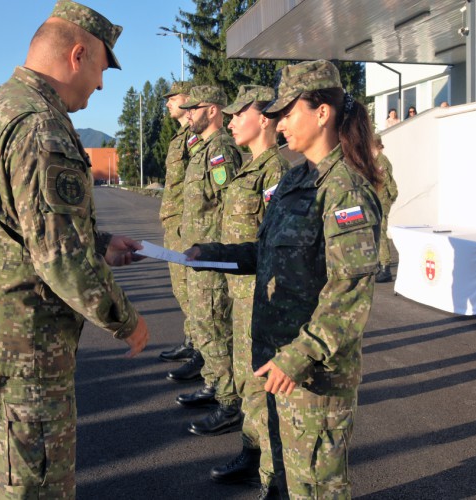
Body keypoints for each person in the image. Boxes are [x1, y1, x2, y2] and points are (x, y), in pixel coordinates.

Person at [0, 2, 149, 498]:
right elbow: (59, 257)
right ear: (78, 55)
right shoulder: (41, 126)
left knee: (8, 470)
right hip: (24, 345)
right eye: (102, 69)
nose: (101, 85)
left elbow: (24, 223)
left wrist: (100, 244)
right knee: (32, 486)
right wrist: (127, 320)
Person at [186, 60, 381, 499]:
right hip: (276, 365)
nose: (279, 123)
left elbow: (349, 292)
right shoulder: (296, 179)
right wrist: (211, 256)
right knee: (278, 480)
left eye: (288, 113)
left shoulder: (345, 189)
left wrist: (298, 357)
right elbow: (266, 253)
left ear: (323, 113)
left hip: (312, 377)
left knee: (314, 487)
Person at [211, 85, 290, 488]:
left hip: (261, 295)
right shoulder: (248, 167)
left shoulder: (275, 170)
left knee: (261, 384)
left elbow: (274, 242)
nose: (230, 121)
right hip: (239, 291)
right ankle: (252, 451)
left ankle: (272, 478)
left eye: (239, 114)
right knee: (247, 380)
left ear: (263, 119)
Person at [172, 85, 242, 436]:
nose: (187, 114)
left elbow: (230, 205)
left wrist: (219, 252)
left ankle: (231, 403)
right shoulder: (204, 149)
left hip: (213, 255)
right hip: (198, 253)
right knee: (204, 323)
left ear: (212, 110)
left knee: (214, 325)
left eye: (193, 108)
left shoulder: (221, 150)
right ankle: (216, 384)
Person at [158, 80, 200, 367]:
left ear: (187, 99)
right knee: (181, 287)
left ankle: (202, 350)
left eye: (172, 98)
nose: (168, 103)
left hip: (185, 224)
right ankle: (193, 339)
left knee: (190, 289)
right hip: (174, 222)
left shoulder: (194, 138)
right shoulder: (181, 137)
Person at [374, 134, 398, 283]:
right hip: (377, 200)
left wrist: (389, 200)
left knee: (381, 233)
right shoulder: (374, 161)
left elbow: (390, 185)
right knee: (375, 233)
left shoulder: (382, 161)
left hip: (382, 200)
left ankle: (385, 268)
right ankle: (379, 264)